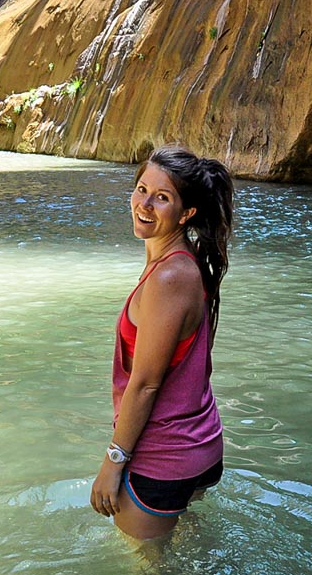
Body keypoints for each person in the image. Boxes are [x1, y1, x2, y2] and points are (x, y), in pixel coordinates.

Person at [89, 145, 234, 540]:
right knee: (182, 555)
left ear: (186, 214)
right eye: (141, 189)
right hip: (198, 445)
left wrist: (113, 462)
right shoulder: (183, 263)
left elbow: (147, 382)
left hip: (163, 459)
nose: (144, 204)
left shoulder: (169, 278)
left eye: (162, 197)